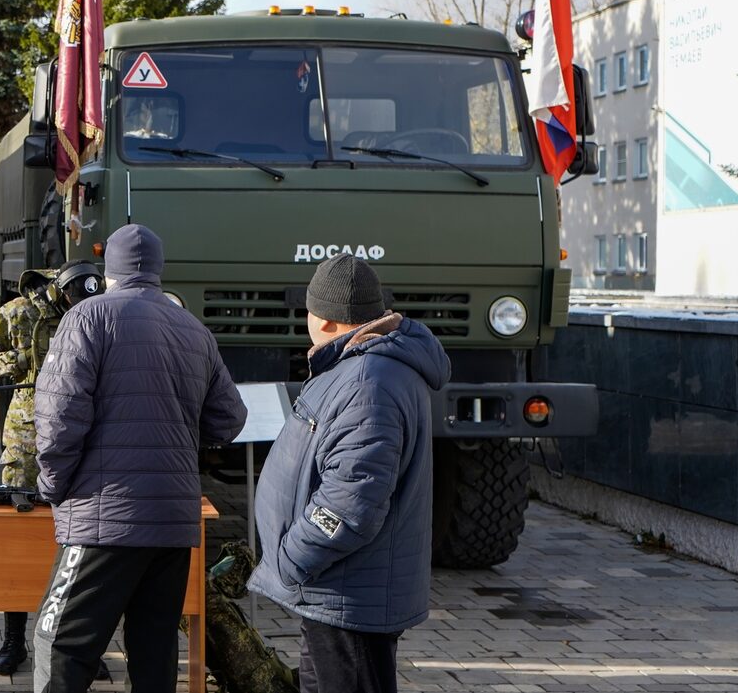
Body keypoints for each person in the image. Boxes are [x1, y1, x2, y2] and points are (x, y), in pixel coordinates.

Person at [33, 224, 247, 693]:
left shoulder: (87, 317)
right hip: (172, 520)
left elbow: (57, 417)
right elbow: (229, 419)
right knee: (154, 648)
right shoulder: (193, 328)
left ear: (109, 268)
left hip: (102, 517)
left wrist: (52, 486)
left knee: (61, 642)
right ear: (157, 268)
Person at [247, 254, 448, 693]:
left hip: (347, 594)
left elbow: (349, 503)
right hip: (336, 592)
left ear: (325, 319)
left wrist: (291, 559)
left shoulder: (366, 381)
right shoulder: (360, 367)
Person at [0, 260, 105, 677]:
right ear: (61, 290)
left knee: (83, 541)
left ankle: (79, 648)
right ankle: (13, 641)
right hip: (27, 439)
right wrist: (20, 360)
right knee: (16, 538)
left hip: (82, 433)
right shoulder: (17, 313)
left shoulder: (98, 314)